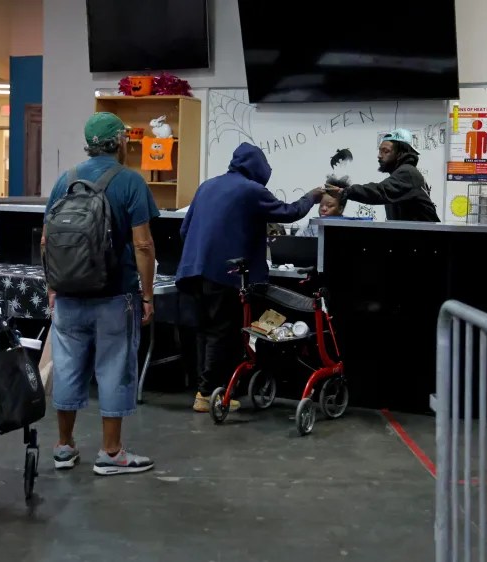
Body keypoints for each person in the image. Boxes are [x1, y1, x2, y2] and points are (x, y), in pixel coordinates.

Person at [43, 112, 158, 475]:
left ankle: (64, 447)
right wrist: (148, 294)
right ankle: (111, 452)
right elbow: (143, 245)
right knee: (114, 369)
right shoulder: (130, 182)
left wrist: (53, 286)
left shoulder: (66, 180)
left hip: (69, 294)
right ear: (121, 141)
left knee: (66, 367)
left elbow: (48, 240)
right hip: (114, 294)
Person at [176, 142, 322, 412]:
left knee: (204, 332)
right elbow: (290, 213)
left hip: (191, 271)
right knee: (223, 333)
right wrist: (312, 196)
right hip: (223, 274)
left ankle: (202, 390)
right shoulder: (251, 190)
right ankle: (209, 394)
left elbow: (185, 230)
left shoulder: (207, 186)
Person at [324, 128, 440, 222]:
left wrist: (346, 192)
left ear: (400, 153)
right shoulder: (404, 173)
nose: (379, 156)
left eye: (386, 151)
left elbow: (380, 191)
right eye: (380, 151)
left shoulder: (407, 173)